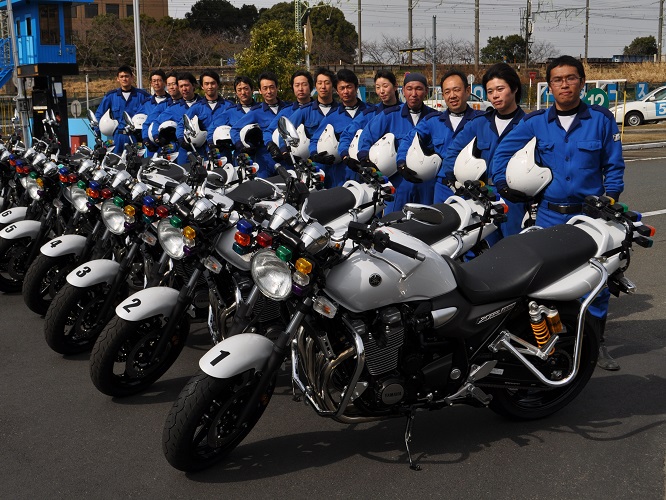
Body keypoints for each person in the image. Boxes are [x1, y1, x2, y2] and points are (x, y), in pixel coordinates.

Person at [491, 55, 625, 371]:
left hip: (592, 218)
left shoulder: (601, 120)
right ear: (549, 86)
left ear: (582, 82)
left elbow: (614, 166)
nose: (564, 84)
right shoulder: (535, 122)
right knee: (548, 284)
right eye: (557, 80)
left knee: (596, 283)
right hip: (550, 216)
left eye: (571, 78)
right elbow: (502, 152)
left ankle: (595, 343)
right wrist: (504, 185)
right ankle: (555, 345)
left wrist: (610, 199)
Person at [442, 63, 526, 237]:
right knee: (482, 245)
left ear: (514, 88)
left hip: (514, 199)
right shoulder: (479, 123)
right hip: (481, 196)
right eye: (490, 91)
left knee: (512, 245)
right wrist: (453, 182)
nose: (495, 95)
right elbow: (453, 151)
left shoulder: (528, 125)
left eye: (500, 89)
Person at [400, 70, 484, 204]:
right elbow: (409, 139)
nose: (452, 96)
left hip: (474, 190)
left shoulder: (482, 121)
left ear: (467, 91)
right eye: (447, 92)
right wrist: (402, 163)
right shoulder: (433, 121)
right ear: (443, 95)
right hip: (443, 189)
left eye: (456, 90)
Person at [356, 72, 435, 213]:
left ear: (426, 91)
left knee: (425, 222)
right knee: (392, 221)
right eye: (409, 89)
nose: (414, 94)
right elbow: (366, 136)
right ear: (403, 90)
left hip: (426, 185)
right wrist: (365, 159)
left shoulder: (434, 118)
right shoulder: (389, 115)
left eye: (418, 89)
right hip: (397, 183)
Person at [309, 69, 372, 187]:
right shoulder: (331, 117)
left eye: (349, 87)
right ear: (337, 91)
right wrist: (315, 154)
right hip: (341, 175)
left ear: (356, 88)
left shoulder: (371, 112)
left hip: (367, 172)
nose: (346, 91)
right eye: (342, 88)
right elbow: (314, 140)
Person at [338, 69, 397, 179]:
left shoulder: (406, 113)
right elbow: (347, 134)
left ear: (395, 86)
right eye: (378, 87)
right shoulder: (370, 113)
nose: (381, 91)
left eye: (385, 86)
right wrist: (345, 155)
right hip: (375, 173)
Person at [230, 71, 290, 177]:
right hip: (265, 160)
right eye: (265, 88)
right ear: (260, 91)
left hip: (287, 157)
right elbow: (235, 129)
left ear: (277, 88)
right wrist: (240, 145)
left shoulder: (288, 109)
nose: (269, 91)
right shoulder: (255, 112)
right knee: (263, 186)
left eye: (271, 87)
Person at [147, 72, 203, 163]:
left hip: (203, 149)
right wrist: (156, 137)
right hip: (184, 151)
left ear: (194, 85)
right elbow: (156, 122)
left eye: (186, 85)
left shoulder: (204, 105)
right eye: (181, 86)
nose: (184, 89)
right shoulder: (173, 108)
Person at [95, 65, 149, 153]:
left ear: (132, 77)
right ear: (117, 79)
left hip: (136, 137)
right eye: (121, 76)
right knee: (116, 160)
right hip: (117, 138)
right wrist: (97, 135)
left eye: (127, 76)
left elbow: (153, 111)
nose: (124, 79)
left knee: (137, 161)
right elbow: (98, 115)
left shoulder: (142, 95)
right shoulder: (111, 96)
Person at [177, 70, 230, 153]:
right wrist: (182, 141)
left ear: (218, 85)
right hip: (203, 153)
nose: (210, 86)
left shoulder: (229, 106)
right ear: (202, 86)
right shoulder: (196, 107)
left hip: (224, 152)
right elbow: (182, 123)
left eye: (213, 83)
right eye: (206, 84)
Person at [263, 70, 314, 147]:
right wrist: (271, 145)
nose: (300, 88)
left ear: (310, 86)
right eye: (297, 85)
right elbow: (268, 132)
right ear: (293, 88)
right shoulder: (286, 112)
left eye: (304, 85)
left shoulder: (318, 109)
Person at [142, 71, 181, 153]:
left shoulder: (191, 104)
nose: (171, 87)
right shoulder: (162, 105)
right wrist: (147, 139)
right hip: (165, 145)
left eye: (174, 84)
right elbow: (150, 122)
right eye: (169, 84)